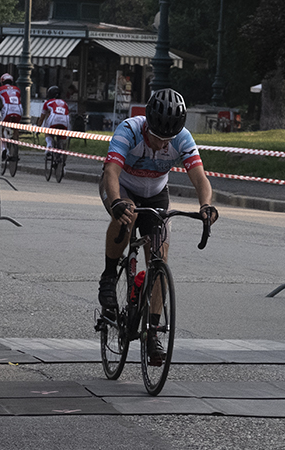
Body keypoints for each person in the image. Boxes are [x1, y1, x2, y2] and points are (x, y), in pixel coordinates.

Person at [97, 88, 218, 364]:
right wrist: (117, 202)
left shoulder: (183, 139)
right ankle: (108, 274)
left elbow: (200, 178)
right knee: (128, 217)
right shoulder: (129, 130)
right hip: (121, 187)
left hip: (155, 193)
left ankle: (152, 332)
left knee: (160, 254)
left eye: (169, 140)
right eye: (157, 138)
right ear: (147, 125)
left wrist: (206, 205)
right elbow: (112, 172)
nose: (164, 145)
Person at [37, 85, 70, 150]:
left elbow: (42, 118)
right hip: (65, 120)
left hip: (54, 119)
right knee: (62, 135)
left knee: (48, 132)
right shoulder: (65, 103)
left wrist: (38, 129)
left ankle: (49, 145)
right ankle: (62, 149)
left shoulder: (47, 102)